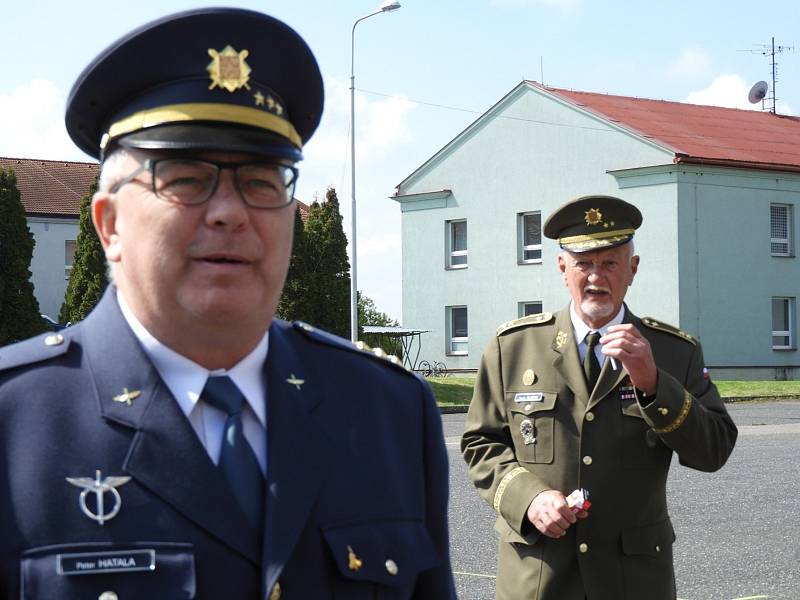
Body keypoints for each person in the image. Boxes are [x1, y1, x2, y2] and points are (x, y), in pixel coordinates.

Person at [0, 9, 455, 600]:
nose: (230, 212)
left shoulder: (387, 411)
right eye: (186, 178)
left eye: (262, 181)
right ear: (109, 225)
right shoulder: (16, 424)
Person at [462, 195, 737, 600]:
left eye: (609, 263)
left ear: (633, 269)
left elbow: (713, 450)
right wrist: (528, 497)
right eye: (583, 264)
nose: (595, 277)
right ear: (562, 269)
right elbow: (480, 442)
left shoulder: (674, 351)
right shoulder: (513, 347)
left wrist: (655, 385)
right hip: (538, 579)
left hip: (633, 581)